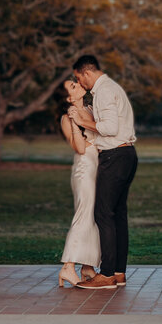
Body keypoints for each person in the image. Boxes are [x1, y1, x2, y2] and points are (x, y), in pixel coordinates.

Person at [65, 53, 138, 290]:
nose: (81, 83)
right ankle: (118, 272)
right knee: (118, 215)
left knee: (103, 213)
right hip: (125, 155)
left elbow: (108, 128)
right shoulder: (109, 89)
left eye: (79, 78)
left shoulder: (104, 91)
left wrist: (82, 121)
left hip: (115, 156)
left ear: (86, 72)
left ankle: (106, 275)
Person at [56, 83, 100, 287]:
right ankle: (68, 266)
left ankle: (88, 266)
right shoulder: (66, 119)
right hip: (84, 169)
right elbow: (80, 147)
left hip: (98, 168)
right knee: (83, 215)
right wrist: (74, 120)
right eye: (73, 86)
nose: (78, 84)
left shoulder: (91, 110)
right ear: (68, 98)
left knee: (94, 217)